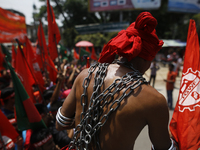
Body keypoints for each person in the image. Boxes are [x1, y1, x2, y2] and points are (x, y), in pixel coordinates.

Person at [56, 12, 178, 150]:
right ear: (147, 58)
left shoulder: (84, 75)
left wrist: (87, 119)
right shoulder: (154, 99)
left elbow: (61, 123)